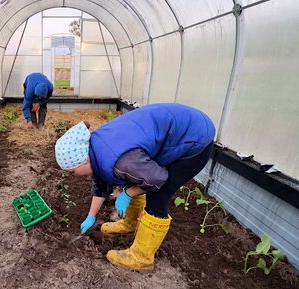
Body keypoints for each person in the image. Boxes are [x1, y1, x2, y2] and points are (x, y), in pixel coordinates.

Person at [54, 103, 215, 271]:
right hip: (175, 128)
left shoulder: (119, 160)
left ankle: (142, 258)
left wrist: (128, 194)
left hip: (193, 139)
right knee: (134, 176)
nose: (73, 175)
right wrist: (91, 216)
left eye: (72, 171)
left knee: (158, 195)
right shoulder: (95, 148)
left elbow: (157, 178)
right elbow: (101, 181)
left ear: (83, 160)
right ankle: (129, 224)